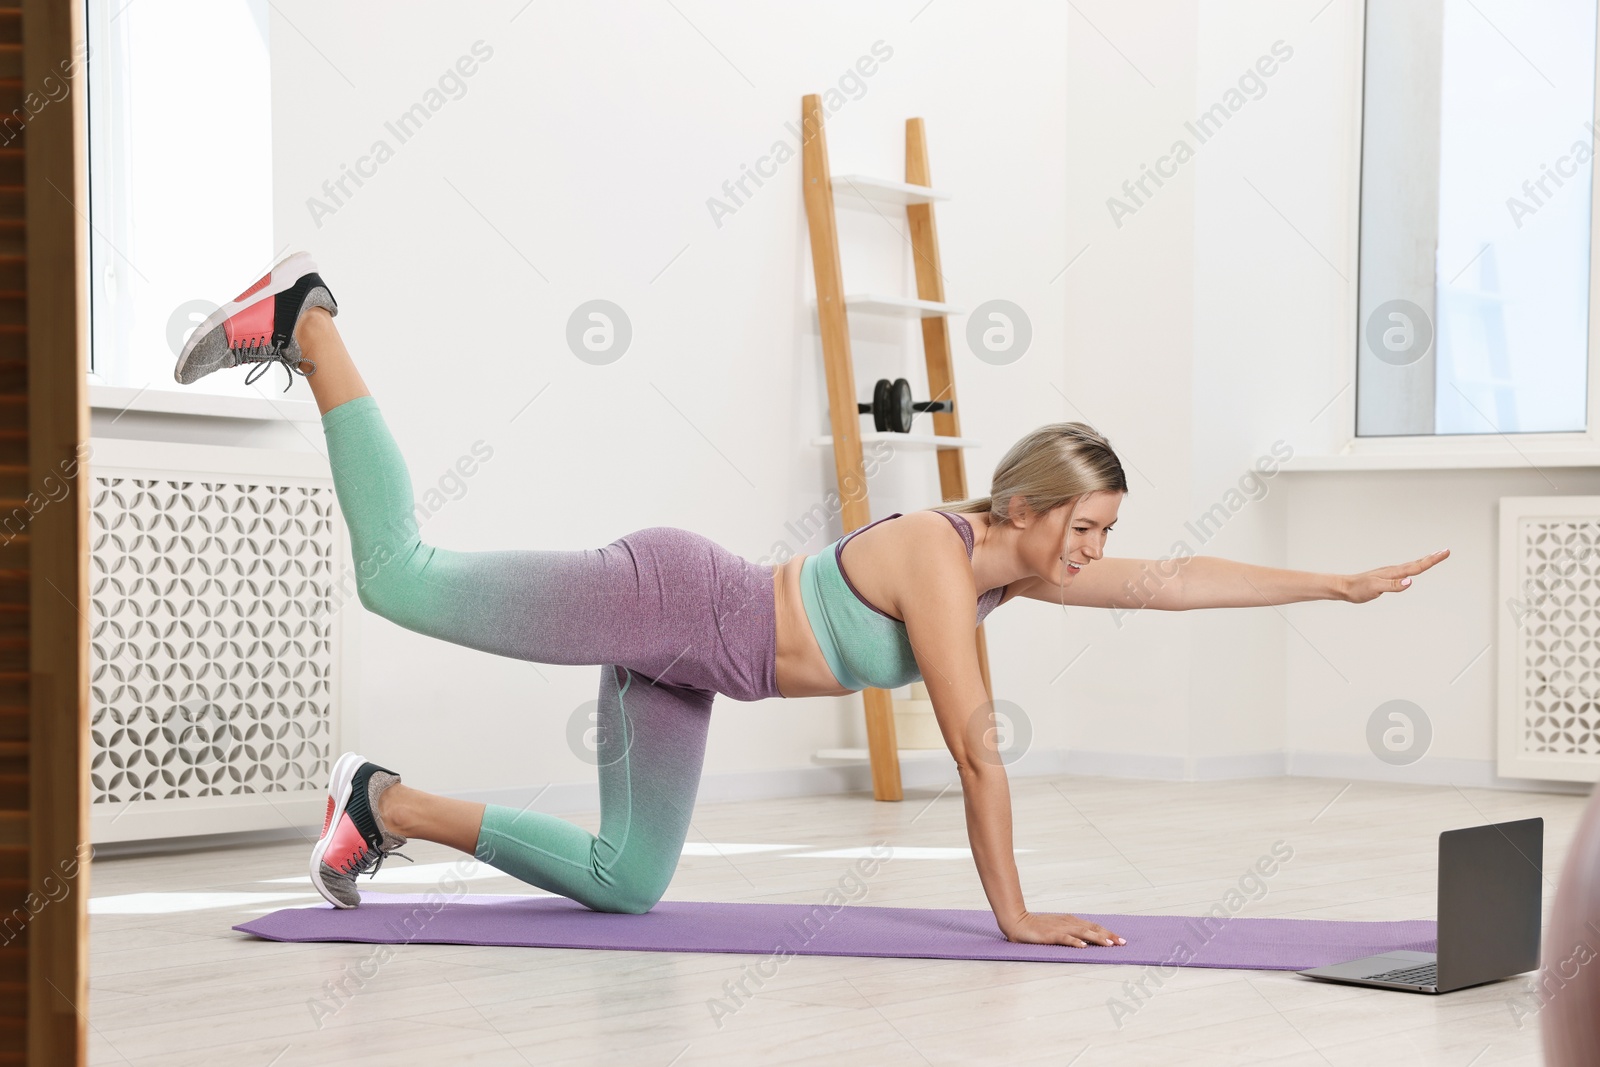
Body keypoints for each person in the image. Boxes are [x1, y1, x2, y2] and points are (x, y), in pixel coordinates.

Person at [174, 254, 1449, 949]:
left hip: (694, 665)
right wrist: (1012, 913)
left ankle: (378, 803)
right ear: (1032, 506)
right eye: (1089, 528)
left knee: (626, 882)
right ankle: (311, 318)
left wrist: (1332, 581)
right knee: (400, 576)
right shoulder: (944, 564)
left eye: (1105, 535)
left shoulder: (1011, 564)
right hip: (669, 599)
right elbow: (975, 754)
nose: (1100, 552)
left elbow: (1172, 583)